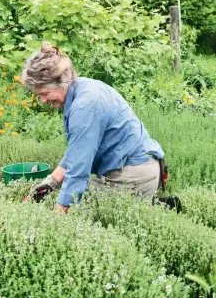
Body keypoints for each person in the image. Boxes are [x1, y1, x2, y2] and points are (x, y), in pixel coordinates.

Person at [22, 42, 165, 212]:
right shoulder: (82, 88)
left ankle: (156, 207)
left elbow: (79, 169)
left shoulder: (85, 106)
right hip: (141, 168)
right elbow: (77, 151)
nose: (43, 101)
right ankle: (148, 204)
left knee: (78, 207)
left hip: (134, 174)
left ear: (61, 82)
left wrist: (57, 216)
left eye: (45, 94)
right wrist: (49, 184)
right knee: (67, 195)